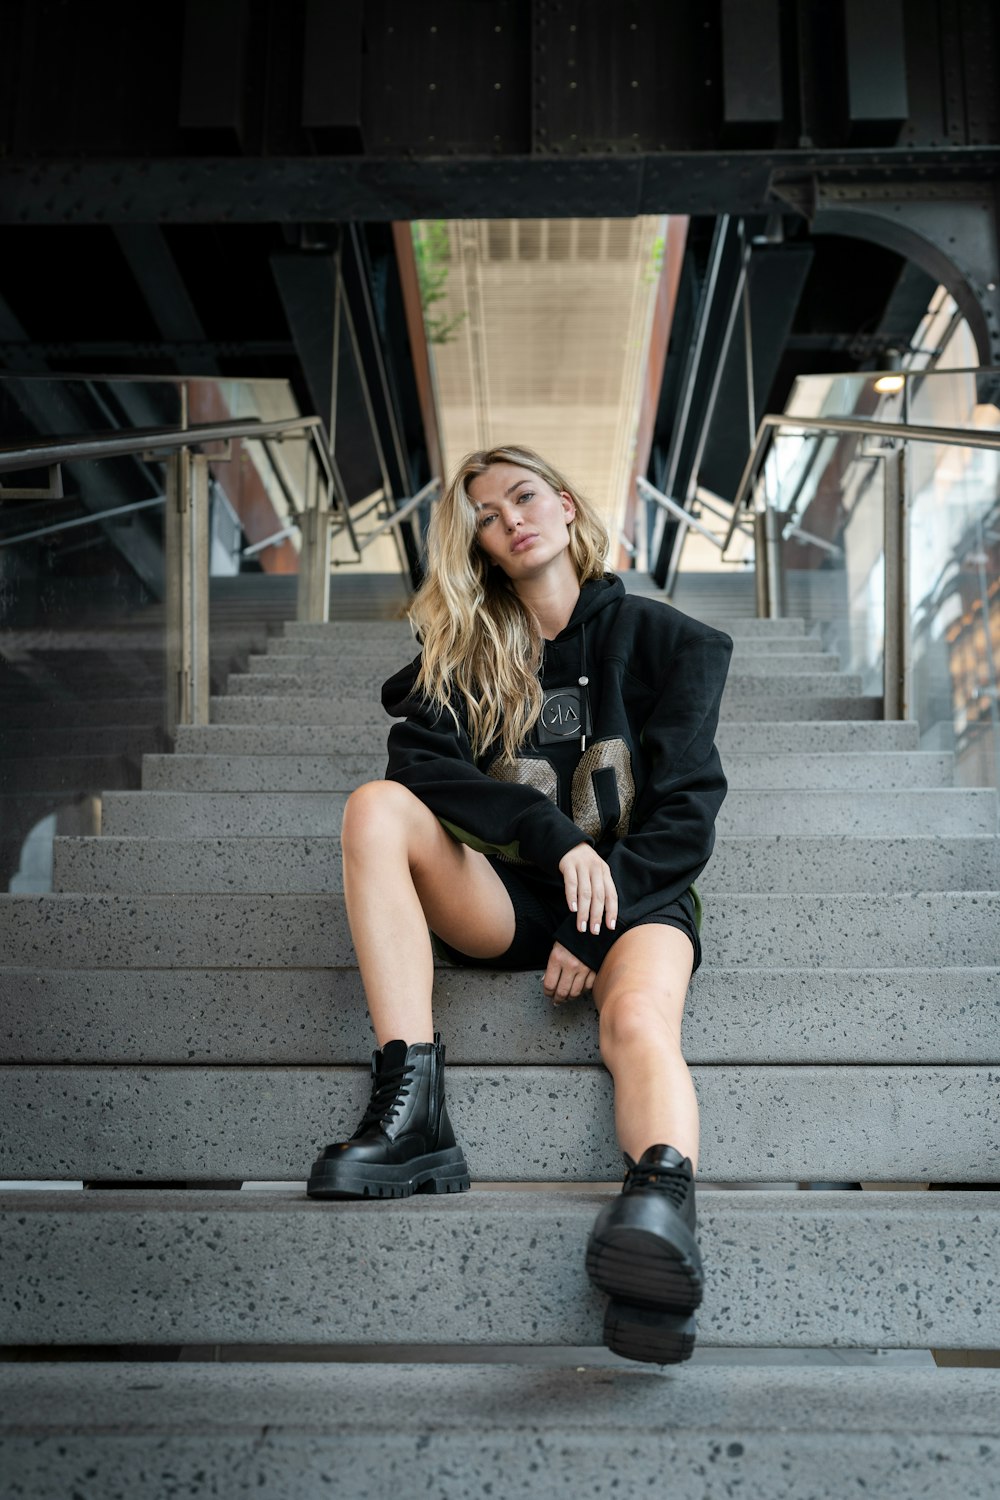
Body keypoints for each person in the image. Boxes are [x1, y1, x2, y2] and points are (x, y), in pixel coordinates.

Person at [307, 444, 732, 1365]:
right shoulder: (464, 655)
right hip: (510, 900)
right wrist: (556, 845)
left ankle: (658, 1220)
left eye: (525, 497)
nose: (512, 520)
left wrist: (603, 915)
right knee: (377, 808)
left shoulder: (669, 644)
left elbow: (688, 809)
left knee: (637, 1020)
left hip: (637, 900)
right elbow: (418, 765)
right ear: (483, 550)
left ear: (569, 506)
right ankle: (412, 1105)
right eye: (488, 518)